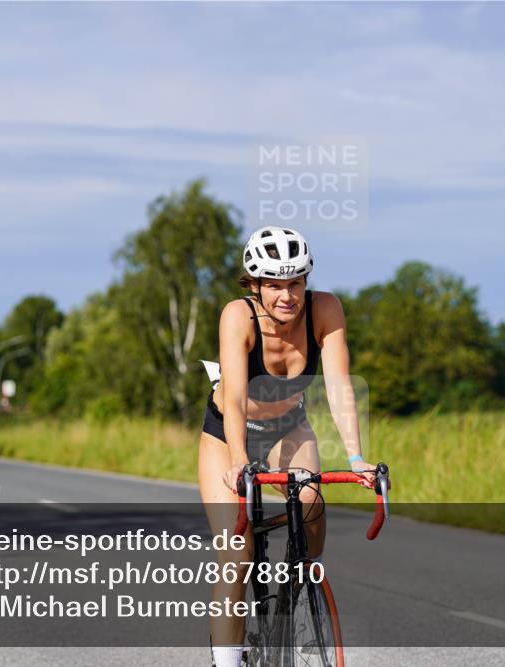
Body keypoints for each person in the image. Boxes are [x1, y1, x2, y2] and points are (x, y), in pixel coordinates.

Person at [198, 226, 374, 667]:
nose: (287, 295)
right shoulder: (237, 316)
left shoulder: (325, 309)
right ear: (255, 285)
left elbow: (339, 387)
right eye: (274, 285)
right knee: (237, 554)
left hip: (287, 427)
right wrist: (239, 459)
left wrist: (356, 458)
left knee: (311, 500)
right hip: (229, 433)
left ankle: (301, 585)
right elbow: (234, 397)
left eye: (295, 283)